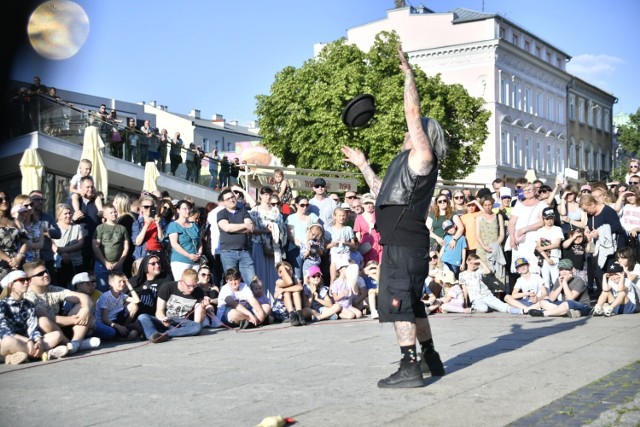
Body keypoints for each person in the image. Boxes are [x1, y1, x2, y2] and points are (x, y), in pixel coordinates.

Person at [340, 45, 446, 388]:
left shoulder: (423, 156)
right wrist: (362, 165)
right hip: (402, 243)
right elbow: (381, 192)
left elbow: (412, 111)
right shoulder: (405, 164)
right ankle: (431, 358)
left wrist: (408, 76)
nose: (406, 132)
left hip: (403, 244)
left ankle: (409, 368)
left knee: (400, 305)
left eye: (413, 130)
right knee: (413, 305)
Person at [23, 261, 95, 354]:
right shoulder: (28, 296)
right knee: (43, 321)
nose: (46, 275)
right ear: (30, 280)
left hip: (62, 325)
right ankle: (71, 344)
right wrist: (77, 319)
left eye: (46, 271)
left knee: (83, 306)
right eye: (40, 274)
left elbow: (84, 297)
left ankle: (75, 343)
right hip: (44, 334)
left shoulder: (52, 289)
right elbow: (51, 318)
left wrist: (86, 310)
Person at [0, 270, 69, 364]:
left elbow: (33, 327)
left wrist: (38, 341)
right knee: (8, 341)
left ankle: (16, 357)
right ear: (11, 285)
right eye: (21, 280)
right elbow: (4, 332)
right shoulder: (2, 305)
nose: (26, 282)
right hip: (12, 341)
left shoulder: (29, 304)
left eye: (27, 280)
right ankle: (45, 354)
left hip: (27, 342)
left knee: (57, 334)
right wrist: (28, 341)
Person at [136, 269, 205, 343]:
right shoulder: (167, 287)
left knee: (197, 327)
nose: (192, 289)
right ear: (181, 281)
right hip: (166, 320)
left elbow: (197, 321)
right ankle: (154, 335)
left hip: (182, 324)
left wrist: (203, 308)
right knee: (142, 317)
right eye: (189, 286)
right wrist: (163, 319)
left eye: (194, 286)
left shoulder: (198, 292)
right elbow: (159, 311)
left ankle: (161, 335)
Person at [249, 186, 286, 297]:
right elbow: (251, 230)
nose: (267, 196)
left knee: (273, 272)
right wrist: (264, 231)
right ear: (260, 195)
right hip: (258, 243)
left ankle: (273, 300)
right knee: (259, 272)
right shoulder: (254, 211)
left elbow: (282, 229)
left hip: (273, 245)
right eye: (265, 194)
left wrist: (275, 228)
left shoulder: (275, 211)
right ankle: (260, 298)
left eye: (269, 194)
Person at [527, 259, 592, 318]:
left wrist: (564, 283)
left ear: (572, 270)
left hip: (583, 306)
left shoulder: (578, 280)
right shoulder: (559, 280)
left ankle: (543, 313)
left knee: (568, 303)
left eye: (566, 269)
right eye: (561, 269)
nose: (563, 271)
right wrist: (560, 286)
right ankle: (566, 313)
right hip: (566, 306)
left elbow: (570, 299)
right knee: (543, 302)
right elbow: (552, 298)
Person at [217, 189, 256, 283]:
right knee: (232, 282)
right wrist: (244, 226)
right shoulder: (221, 213)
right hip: (228, 253)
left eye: (232, 197)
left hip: (244, 252)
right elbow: (227, 228)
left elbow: (250, 228)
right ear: (224, 203)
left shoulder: (243, 211)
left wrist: (236, 227)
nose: (231, 200)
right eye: (228, 199)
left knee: (252, 282)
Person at [508, 182, 546, 275]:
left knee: (533, 266)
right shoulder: (518, 204)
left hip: (533, 238)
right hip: (519, 240)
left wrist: (524, 229)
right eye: (525, 190)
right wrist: (512, 238)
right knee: (521, 265)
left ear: (535, 191)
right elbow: (511, 223)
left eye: (530, 189)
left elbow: (541, 222)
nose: (527, 192)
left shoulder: (542, 204)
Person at [92, 203, 130, 292]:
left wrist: (120, 262)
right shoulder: (100, 228)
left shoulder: (122, 228)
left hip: (118, 264)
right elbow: (95, 246)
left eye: (115, 212)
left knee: (117, 289)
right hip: (101, 264)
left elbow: (126, 247)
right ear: (105, 215)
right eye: (111, 212)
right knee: (101, 288)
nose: (114, 214)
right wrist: (105, 262)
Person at [68, 176, 102, 271]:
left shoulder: (98, 202)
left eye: (92, 187)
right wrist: (73, 219)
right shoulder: (72, 202)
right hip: (76, 248)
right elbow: (62, 223)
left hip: (94, 247)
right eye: (87, 187)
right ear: (81, 187)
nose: (90, 189)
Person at [94, 273, 140, 340]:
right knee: (132, 333)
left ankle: (124, 330)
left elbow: (137, 300)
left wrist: (129, 285)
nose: (122, 283)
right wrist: (118, 326)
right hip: (106, 323)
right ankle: (122, 334)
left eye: (123, 281)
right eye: (119, 281)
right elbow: (104, 319)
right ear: (111, 283)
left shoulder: (121, 295)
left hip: (116, 320)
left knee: (134, 306)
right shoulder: (106, 297)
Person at [285, 195, 319, 280]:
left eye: (307, 205)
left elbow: (318, 231)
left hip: (311, 249)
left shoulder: (312, 217)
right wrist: (301, 244)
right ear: (296, 205)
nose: (304, 207)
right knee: (298, 275)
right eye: (302, 205)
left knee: (311, 275)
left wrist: (311, 242)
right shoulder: (291, 218)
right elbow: (290, 235)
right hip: (296, 249)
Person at [166, 200, 202, 280]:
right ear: (178, 210)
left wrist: (199, 253)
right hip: (180, 261)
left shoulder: (194, 225)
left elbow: (199, 241)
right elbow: (174, 244)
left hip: (195, 261)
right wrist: (188, 255)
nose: (187, 211)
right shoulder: (173, 225)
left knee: (194, 285)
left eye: (189, 209)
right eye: (184, 209)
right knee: (181, 284)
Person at [51, 203, 84, 288]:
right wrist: (61, 253)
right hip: (60, 263)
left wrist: (64, 250)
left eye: (69, 213)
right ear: (59, 216)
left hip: (76, 262)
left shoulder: (77, 227)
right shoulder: (53, 228)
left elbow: (80, 243)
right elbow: (52, 244)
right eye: (65, 213)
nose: (68, 215)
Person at [532, 207, 565, 292]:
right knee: (545, 280)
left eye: (551, 218)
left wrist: (543, 248)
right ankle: (547, 298)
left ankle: (559, 298)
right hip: (544, 258)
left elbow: (557, 244)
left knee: (556, 280)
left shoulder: (558, 229)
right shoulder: (539, 231)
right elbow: (538, 247)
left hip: (555, 256)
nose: (549, 221)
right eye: (547, 219)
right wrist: (547, 258)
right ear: (543, 219)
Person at [475, 197, 506, 285]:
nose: (488, 207)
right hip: (482, 248)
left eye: (489, 205)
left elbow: (502, 234)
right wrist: (484, 246)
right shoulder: (479, 218)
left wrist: (495, 246)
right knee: (483, 272)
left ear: (492, 205)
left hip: (495, 248)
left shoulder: (498, 216)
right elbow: (477, 235)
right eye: (485, 205)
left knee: (497, 273)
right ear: (482, 206)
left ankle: (498, 296)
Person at [0, 192, 28, 281]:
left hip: (17, 261)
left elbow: (25, 241)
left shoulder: (15, 220)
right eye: (0, 200)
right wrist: (10, 260)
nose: (4, 201)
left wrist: (19, 257)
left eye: (6, 198)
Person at [274, 261, 306, 326]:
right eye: (285, 270)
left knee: (296, 292)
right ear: (280, 273)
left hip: (296, 311)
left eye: (290, 270)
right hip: (283, 312)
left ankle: (299, 313)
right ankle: (291, 314)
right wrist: (282, 268)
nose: (288, 272)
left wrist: (283, 290)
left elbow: (300, 287)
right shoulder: (279, 282)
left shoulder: (295, 279)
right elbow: (289, 282)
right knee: (286, 294)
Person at [354, 193, 382, 264]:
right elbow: (358, 235)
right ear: (362, 205)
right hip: (367, 246)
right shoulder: (359, 218)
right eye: (366, 203)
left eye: (370, 203)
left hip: (379, 245)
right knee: (369, 267)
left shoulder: (378, 214)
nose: (369, 205)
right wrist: (359, 247)